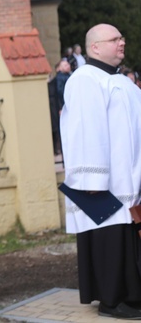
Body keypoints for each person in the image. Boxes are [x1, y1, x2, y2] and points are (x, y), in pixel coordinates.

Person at [61, 24, 141, 319]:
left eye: (122, 37)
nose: (122, 42)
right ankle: (111, 300)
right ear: (95, 47)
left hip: (128, 181)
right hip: (102, 184)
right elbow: (86, 130)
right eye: (114, 39)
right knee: (108, 240)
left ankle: (130, 296)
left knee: (125, 240)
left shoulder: (123, 82)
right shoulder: (85, 80)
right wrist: (92, 183)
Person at [47, 58, 71, 155]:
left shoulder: (68, 76)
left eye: (68, 64)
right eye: (65, 65)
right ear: (59, 69)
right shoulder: (60, 78)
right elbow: (60, 93)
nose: (68, 66)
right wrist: (61, 107)